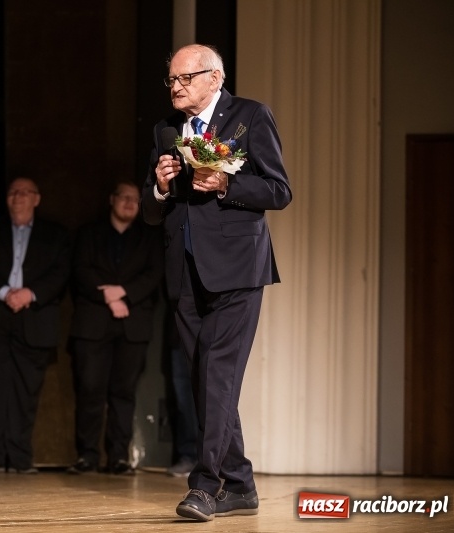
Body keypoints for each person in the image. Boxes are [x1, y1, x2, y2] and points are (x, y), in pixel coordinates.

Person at [141, 44, 292, 521]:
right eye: (172, 81)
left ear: (215, 77)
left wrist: (227, 184)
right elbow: (150, 210)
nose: (176, 87)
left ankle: (206, 486)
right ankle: (241, 484)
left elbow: (278, 191)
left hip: (236, 270)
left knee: (218, 376)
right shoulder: (166, 131)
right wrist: (162, 186)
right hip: (185, 272)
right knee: (205, 378)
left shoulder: (249, 116)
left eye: (185, 78)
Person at [0, 177, 71, 474]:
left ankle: (20, 458)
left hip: (33, 317)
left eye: (25, 193)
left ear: (37, 199)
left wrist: (29, 293)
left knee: (26, 392)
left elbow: (60, 273)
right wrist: (4, 291)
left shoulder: (55, 234)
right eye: (13, 192)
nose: (18, 197)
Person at [66, 181, 163, 476]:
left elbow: (153, 275)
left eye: (136, 198)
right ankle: (87, 456)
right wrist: (106, 296)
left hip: (132, 325)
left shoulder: (149, 237)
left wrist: (122, 293)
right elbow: (81, 271)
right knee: (90, 391)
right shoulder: (89, 233)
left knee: (123, 393)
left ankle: (119, 457)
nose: (130, 203)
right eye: (125, 197)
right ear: (112, 200)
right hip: (93, 324)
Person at [166, 321, 197, 478]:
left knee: (215, 396)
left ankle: (215, 460)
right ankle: (189, 456)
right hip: (181, 332)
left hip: (212, 331)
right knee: (183, 399)